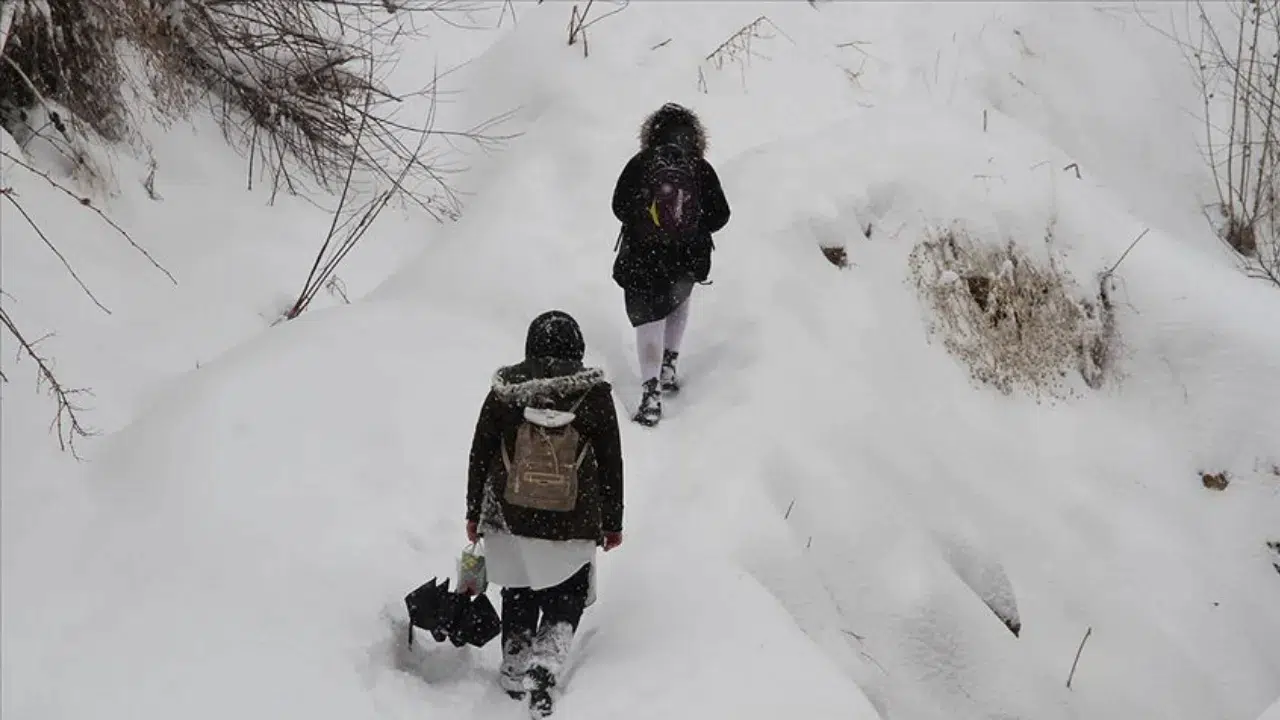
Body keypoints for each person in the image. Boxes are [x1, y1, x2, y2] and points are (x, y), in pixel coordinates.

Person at [466, 310, 624, 718]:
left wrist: (473, 511)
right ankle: (547, 660)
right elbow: (610, 462)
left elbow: (481, 452)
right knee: (567, 590)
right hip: (572, 518)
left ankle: (516, 654)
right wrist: (612, 522)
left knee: (518, 585)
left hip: (509, 513)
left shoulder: (506, 392)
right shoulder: (594, 395)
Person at [611, 102, 731, 426]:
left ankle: (650, 391)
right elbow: (721, 215)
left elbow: (618, 206)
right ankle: (669, 364)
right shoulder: (700, 168)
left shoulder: (641, 163)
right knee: (678, 298)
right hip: (685, 258)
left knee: (647, 317)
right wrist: (691, 227)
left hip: (642, 257)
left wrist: (645, 221)